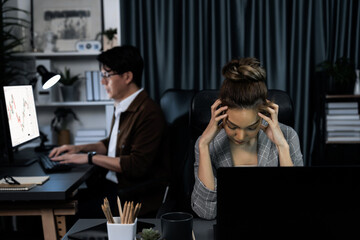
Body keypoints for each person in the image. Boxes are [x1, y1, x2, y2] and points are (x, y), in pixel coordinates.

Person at [49, 45, 169, 217]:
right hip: (113, 188)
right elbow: (112, 145)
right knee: (61, 202)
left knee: (63, 211)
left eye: (107, 75)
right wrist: (78, 148)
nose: (102, 81)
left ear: (127, 76)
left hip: (129, 198)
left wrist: (89, 158)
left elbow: (136, 165)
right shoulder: (124, 105)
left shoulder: (148, 112)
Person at [191, 57, 303, 220]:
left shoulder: (288, 137)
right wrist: (203, 145)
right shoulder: (209, 144)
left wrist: (282, 147)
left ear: (264, 114)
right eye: (232, 126)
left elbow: (296, 205)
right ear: (221, 114)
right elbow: (207, 213)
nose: (241, 136)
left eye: (251, 127)